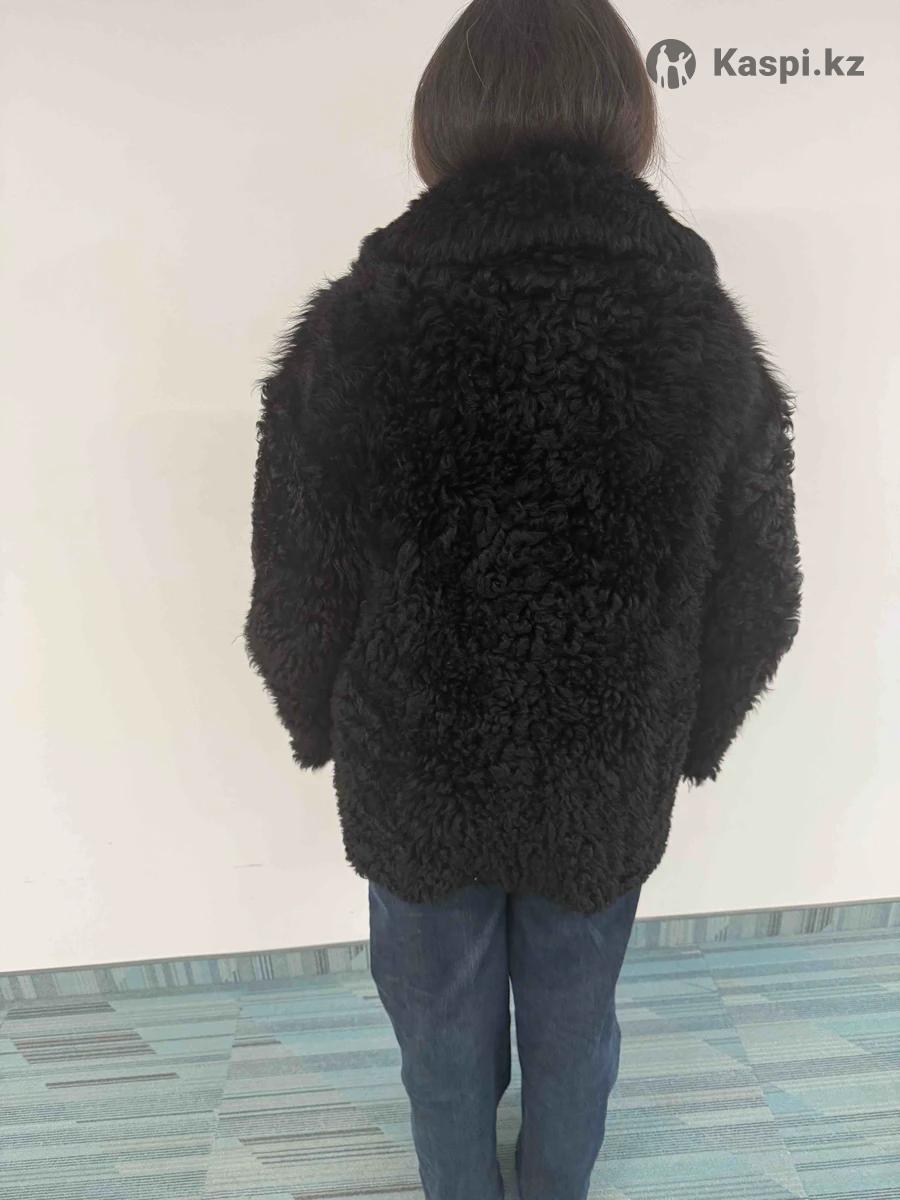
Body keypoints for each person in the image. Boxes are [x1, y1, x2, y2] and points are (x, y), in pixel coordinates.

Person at [242, 0, 802, 1195]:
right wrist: (684, 735)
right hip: (605, 760)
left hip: (416, 763)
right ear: (625, 116)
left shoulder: (357, 327)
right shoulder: (701, 334)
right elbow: (760, 589)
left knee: (437, 1027)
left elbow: (295, 580)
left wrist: (322, 722)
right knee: (574, 1017)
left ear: (443, 119)